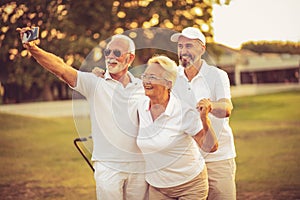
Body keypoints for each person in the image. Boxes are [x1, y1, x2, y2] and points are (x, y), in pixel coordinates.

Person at [17, 27, 148, 200]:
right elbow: (61, 69)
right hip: (108, 166)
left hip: (139, 166)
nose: (110, 56)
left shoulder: (142, 86)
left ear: (130, 58)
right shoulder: (94, 83)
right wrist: (33, 48)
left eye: (117, 52)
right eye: (108, 51)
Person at [137, 55, 218, 200]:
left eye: (153, 77)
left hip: (191, 185)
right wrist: (101, 76)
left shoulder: (184, 112)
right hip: (158, 187)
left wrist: (205, 120)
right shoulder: (139, 106)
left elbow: (210, 147)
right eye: (145, 76)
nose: (146, 81)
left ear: (168, 83)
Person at [170, 27, 237, 200]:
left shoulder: (217, 75)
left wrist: (211, 106)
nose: (183, 51)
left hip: (218, 159)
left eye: (189, 46)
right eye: (180, 46)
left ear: (202, 49)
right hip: (186, 160)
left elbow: (227, 108)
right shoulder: (171, 76)